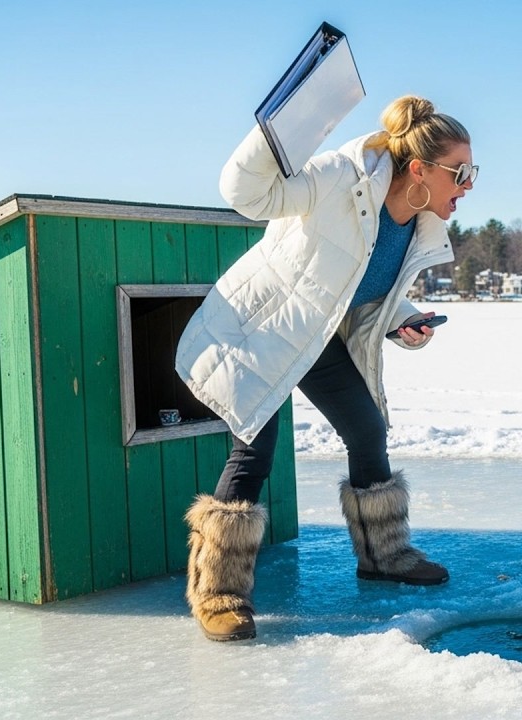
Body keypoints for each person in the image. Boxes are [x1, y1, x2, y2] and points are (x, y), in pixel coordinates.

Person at [174, 95, 477, 641]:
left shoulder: (418, 225)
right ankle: (217, 593)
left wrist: (402, 319)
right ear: (419, 169)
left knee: (366, 429)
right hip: (257, 331)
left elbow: (361, 288)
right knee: (255, 450)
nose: (468, 185)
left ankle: (383, 556)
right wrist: (281, 132)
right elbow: (248, 194)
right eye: (460, 172)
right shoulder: (343, 177)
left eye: (473, 172)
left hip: (316, 335)